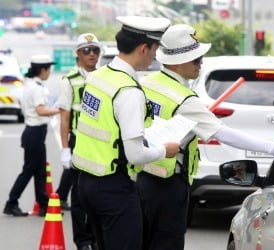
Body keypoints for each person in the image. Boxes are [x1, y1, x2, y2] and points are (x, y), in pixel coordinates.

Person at [136, 24, 274, 250]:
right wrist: (273, 148)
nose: (201, 63)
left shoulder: (146, 84)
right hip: (168, 185)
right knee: (166, 243)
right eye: (196, 59)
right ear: (179, 61)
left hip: (140, 178)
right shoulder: (185, 100)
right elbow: (223, 134)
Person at [71, 16, 180, 250]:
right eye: (155, 49)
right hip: (114, 188)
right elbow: (135, 154)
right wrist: (165, 150)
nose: (155, 55)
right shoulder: (129, 91)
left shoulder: (98, 76)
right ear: (143, 48)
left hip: (87, 183)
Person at [56, 33, 100, 250]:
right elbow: (64, 116)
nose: (91, 54)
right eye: (86, 50)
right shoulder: (70, 80)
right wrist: (65, 149)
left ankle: (95, 236)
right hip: (79, 141)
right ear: (78, 53)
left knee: (98, 193)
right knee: (80, 195)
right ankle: (82, 240)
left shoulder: (104, 77)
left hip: (101, 144)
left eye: (95, 50)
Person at [3, 54, 59, 217]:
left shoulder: (32, 85)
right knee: (29, 170)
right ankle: (11, 202)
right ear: (42, 70)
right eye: (49, 68)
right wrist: (61, 110)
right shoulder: (36, 88)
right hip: (34, 132)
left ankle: (43, 204)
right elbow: (40, 110)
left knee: (40, 171)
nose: (49, 72)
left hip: (34, 132)